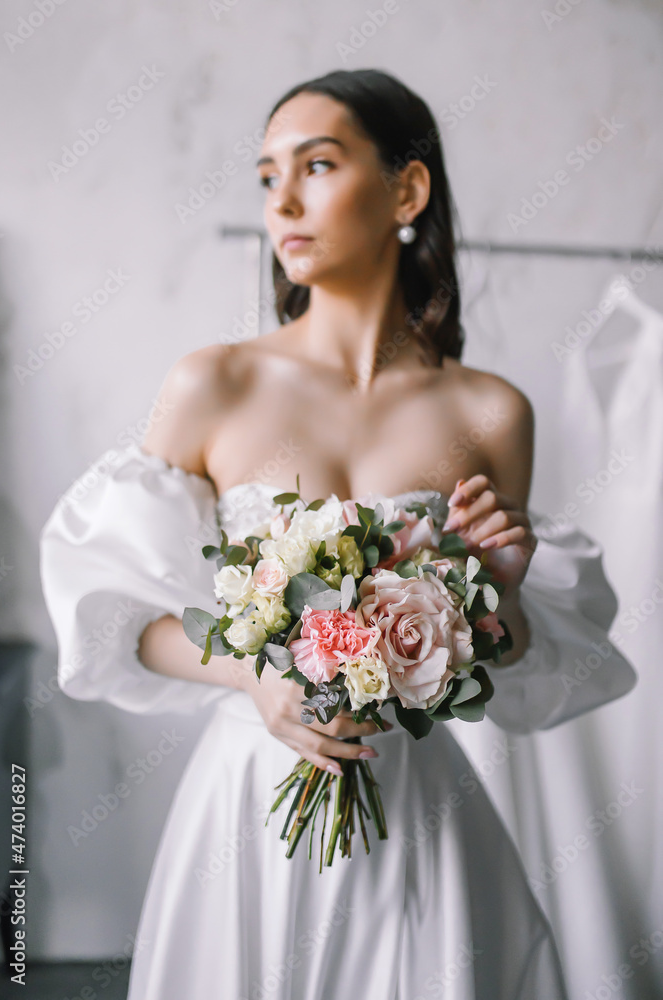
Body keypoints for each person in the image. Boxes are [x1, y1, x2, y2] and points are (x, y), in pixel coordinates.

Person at [39, 69, 637, 999]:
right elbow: (118, 621)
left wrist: (501, 593)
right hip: (249, 807)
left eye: (316, 165)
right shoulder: (213, 385)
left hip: (418, 807)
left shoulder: (491, 412)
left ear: (406, 190)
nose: (281, 200)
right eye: (266, 175)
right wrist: (255, 676)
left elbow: (503, 661)